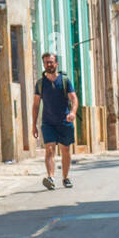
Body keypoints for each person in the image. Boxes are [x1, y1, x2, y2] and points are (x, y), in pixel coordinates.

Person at [32, 52, 77, 191]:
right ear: (44, 64)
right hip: (48, 122)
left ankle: (65, 177)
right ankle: (51, 177)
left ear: (56, 64)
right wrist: (33, 125)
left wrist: (73, 112)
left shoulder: (64, 81)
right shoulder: (40, 84)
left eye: (51, 62)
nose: (49, 64)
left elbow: (74, 99)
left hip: (64, 121)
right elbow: (36, 105)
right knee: (49, 149)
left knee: (65, 150)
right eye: (46, 62)